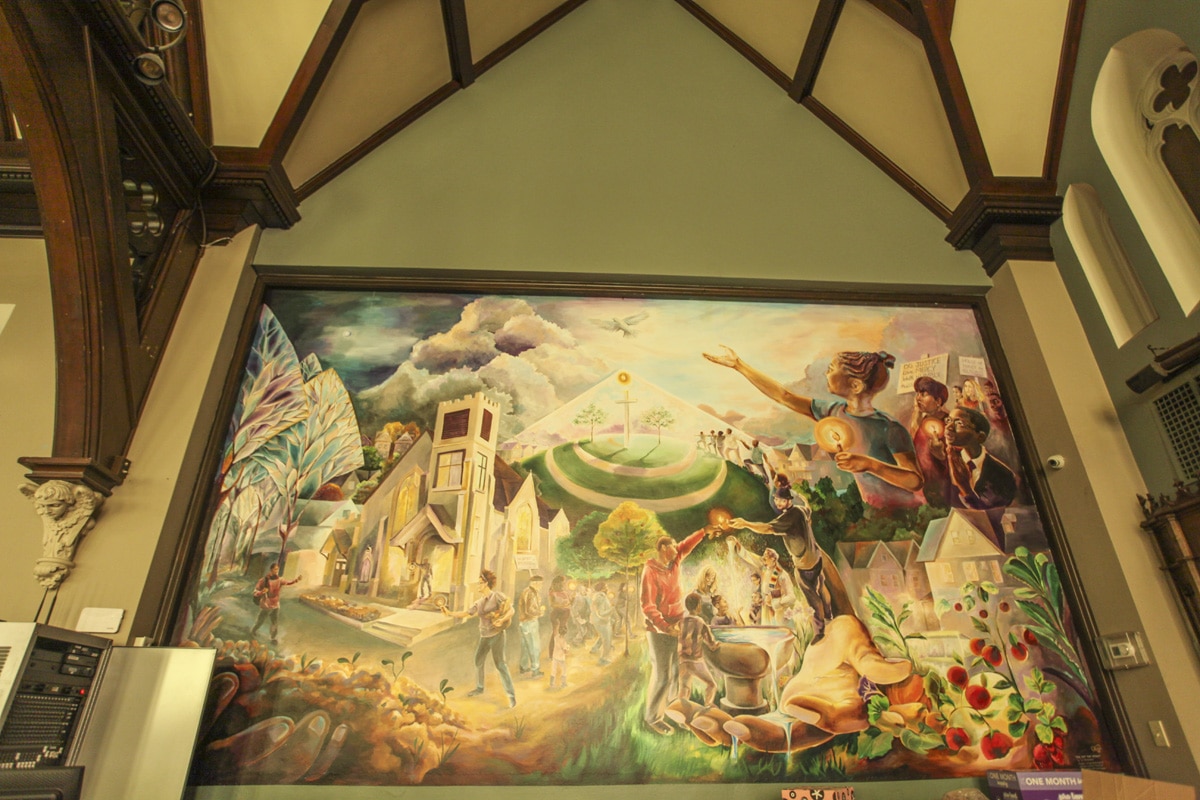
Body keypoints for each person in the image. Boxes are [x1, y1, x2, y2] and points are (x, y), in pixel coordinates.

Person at [704, 346, 922, 509]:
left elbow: (914, 480)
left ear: (855, 385)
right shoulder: (832, 411)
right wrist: (739, 365)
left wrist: (869, 464)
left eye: (831, 369)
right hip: (870, 510)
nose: (827, 374)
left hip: (904, 511)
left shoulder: (890, 428)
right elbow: (784, 396)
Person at [729, 488, 852, 639]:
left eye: (781, 500)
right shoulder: (801, 511)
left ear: (789, 500)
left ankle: (820, 632)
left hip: (804, 566)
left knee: (813, 598)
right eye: (776, 499)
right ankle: (828, 615)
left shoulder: (788, 519)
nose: (777, 503)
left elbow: (767, 528)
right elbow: (808, 510)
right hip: (816, 558)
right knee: (821, 586)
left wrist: (745, 524)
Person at [641, 524, 718, 735]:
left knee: (678, 674)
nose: (677, 549)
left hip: (678, 626)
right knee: (663, 675)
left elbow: (686, 546)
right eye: (673, 546)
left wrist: (703, 531)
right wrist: (666, 627)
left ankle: (675, 713)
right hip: (659, 630)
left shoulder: (673, 563)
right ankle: (653, 718)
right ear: (663, 548)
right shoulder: (650, 571)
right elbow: (648, 606)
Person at [442, 570, 517, 708]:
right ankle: (480, 688)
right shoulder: (479, 602)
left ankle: (511, 696)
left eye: (480, 583)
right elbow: (467, 613)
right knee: (478, 660)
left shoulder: (497, 596)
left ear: (486, 583)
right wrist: (450, 613)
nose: (478, 585)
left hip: (497, 635)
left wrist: (502, 620)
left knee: (500, 664)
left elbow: (511, 610)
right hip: (484, 636)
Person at [943, 406, 1018, 537]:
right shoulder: (948, 462)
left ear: (980, 437)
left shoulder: (1002, 474)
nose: (949, 427)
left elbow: (990, 519)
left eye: (959, 423)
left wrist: (965, 489)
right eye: (948, 420)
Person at [909, 376, 951, 508]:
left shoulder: (948, 423)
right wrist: (915, 421)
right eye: (917, 394)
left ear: (938, 401)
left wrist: (942, 456)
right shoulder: (923, 420)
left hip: (945, 487)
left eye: (923, 394)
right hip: (926, 485)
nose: (918, 398)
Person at [730, 542, 795, 625]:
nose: (763, 560)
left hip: (778, 611)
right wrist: (739, 546)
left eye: (766, 558)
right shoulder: (765, 568)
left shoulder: (781, 574)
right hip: (765, 609)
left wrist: (776, 602)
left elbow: (791, 597)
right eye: (763, 558)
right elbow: (752, 558)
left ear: (773, 559)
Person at [678, 593, 721, 705]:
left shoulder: (682, 621)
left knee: (684, 688)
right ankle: (708, 706)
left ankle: (682, 710)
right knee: (712, 685)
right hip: (695, 661)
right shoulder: (700, 622)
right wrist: (716, 645)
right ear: (698, 606)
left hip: (682, 661)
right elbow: (711, 643)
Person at [250, 562, 303, 644]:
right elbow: (255, 592)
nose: (277, 571)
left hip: (275, 605)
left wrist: (296, 580)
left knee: (274, 622)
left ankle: (273, 638)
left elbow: (288, 583)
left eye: (278, 569)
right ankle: (253, 631)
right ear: (271, 570)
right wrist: (262, 592)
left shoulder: (279, 580)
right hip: (266, 605)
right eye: (275, 569)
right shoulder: (264, 580)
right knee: (260, 620)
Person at [518, 574, 546, 678]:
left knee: (525, 645)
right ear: (535, 583)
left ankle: (524, 666)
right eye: (540, 584)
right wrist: (540, 612)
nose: (541, 586)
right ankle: (535, 670)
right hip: (530, 621)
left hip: (523, 622)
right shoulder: (531, 593)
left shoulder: (526, 591)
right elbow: (529, 610)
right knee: (534, 646)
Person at [589, 581, 615, 665]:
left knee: (602, 636)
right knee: (607, 640)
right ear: (602, 589)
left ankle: (594, 649)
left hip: (597, 621)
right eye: (606, 587)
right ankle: (604, 659)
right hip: (602, 621)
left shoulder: (597, 596)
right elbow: (601, 613)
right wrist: (612, 609)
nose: (607, 588)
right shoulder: (601, 598)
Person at [548, 619, 570, 691]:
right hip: (561, 657)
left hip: (555, 656)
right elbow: (565, 651)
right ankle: (563, 683)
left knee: (553, 670)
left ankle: (551, 683)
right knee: (564, 670)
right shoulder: (563, 641)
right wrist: (568, 648)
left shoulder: (556, 637)